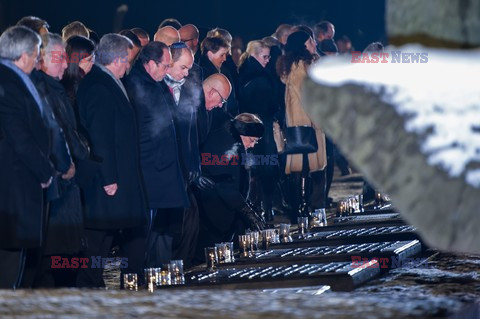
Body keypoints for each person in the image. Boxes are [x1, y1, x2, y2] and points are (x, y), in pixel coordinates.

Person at [75, 34, 147, 287]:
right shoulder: (97, 85)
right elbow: (100, 135)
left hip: (121, 178)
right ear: (117, 59)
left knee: (120, 235)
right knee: (99, 240)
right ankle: (89, 287)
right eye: (127, 60)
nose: (129, 65)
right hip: (108, 181)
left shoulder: (109, 81)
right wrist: (109, 178)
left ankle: (125, 283)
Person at [123, 41, 189, 267]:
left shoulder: (155, 83)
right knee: (144, 237)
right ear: (150, 63)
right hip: (150, 171)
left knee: (162, 232)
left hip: (162, 171)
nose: (168, 70)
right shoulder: (137, 85)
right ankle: (139, 281)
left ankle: (154, 273)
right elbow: (139, 133)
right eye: (165, 65)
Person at [0, 26, 55, 289]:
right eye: (36, 55)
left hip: (19, 183)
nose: (38, 61)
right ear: (23, 55)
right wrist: (44, 172)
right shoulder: (7, 83)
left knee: (16, 262)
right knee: (8, 266)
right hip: (13, 184)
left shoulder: (15, 79)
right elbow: (19, 137)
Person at [30, 32, 86, 287]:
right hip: (57, 186)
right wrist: (66, 164)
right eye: (59, 58)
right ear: (40, 58)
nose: (66, 64)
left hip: (65, 189)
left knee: (63, 262)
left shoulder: (55, 88)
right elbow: (56, 133)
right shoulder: (42, 90)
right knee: (52, 265)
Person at [195, 112, 267, 262]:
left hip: (229, 208)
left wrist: (249, 206)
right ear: (242, 132)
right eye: (252, 140)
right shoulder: (222, 143)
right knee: (211, 256)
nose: (252, 145)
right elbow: (224, 183)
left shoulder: (236, 142)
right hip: (214, 208)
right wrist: (245, 209)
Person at [276, 30, 327, 222]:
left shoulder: (300, 65)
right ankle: (305, 210)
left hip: (303, 123)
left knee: (305, 168)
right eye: (310, 41)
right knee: (306, 168)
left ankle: (304, 209)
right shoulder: (300, 67)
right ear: (302, 45)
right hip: (305, 123)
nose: (314, 43)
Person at [237, 40, 280, 222]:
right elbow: (265, 104)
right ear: (254, 54)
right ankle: (262, 210)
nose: (268, 60)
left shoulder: (247, 72)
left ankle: (261, 209)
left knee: (256, 170)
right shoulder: (258, 76)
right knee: (262, 170)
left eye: (269, 56)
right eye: (265, 56)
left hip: (253, 128)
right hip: (260, 130)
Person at [61, 35, 96, 107]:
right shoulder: (69, 89)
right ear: (76, 61)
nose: (93, 63)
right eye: (89, 60)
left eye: (93, 59)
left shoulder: (86, 81)